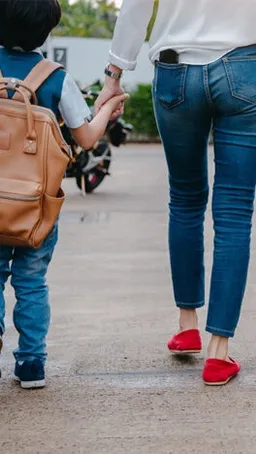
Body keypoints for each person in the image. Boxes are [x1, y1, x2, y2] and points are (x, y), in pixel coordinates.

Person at [95, 0, 256, 386]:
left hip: (176, 70)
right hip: (247, 69)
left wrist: (114, 74)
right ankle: (218, 352)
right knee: (234, 212)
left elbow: (136, 7)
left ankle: (187, 326)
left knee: (185, 200)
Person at [0, 0, 128, 389]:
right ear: (47, 31)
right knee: (32, 283)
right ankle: (32, 364)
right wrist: (109, 108)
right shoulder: (55, 78)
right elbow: (87, 138)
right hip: (36, 206)